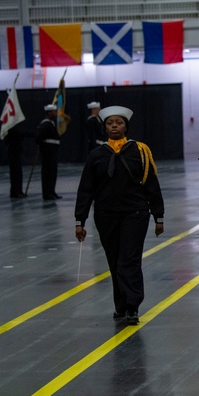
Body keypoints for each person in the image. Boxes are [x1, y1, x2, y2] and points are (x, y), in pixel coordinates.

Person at [74, 106, 165, 325]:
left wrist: (158, 215)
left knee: (129, 260)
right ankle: (121, 305)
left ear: (126, 126)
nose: (115, 126)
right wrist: (80, 220)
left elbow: (151, 184)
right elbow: (86, 189)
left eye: (119, 122)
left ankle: (133, 306)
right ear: (104, 127)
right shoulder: (96, 155)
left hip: (135, 213)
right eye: (110, 123)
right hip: (106, 216)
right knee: (114, 261)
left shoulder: (140, 151)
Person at [37, 103, 62, 200]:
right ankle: (47, 193)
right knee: (47, 173)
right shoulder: (45, 124)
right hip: (47, 153)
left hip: (52, 152)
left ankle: (52, 191)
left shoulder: (51, 124)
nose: (56, 113)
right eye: (54, 112)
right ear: (49, 113)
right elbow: (39, 138)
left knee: (52, 173)